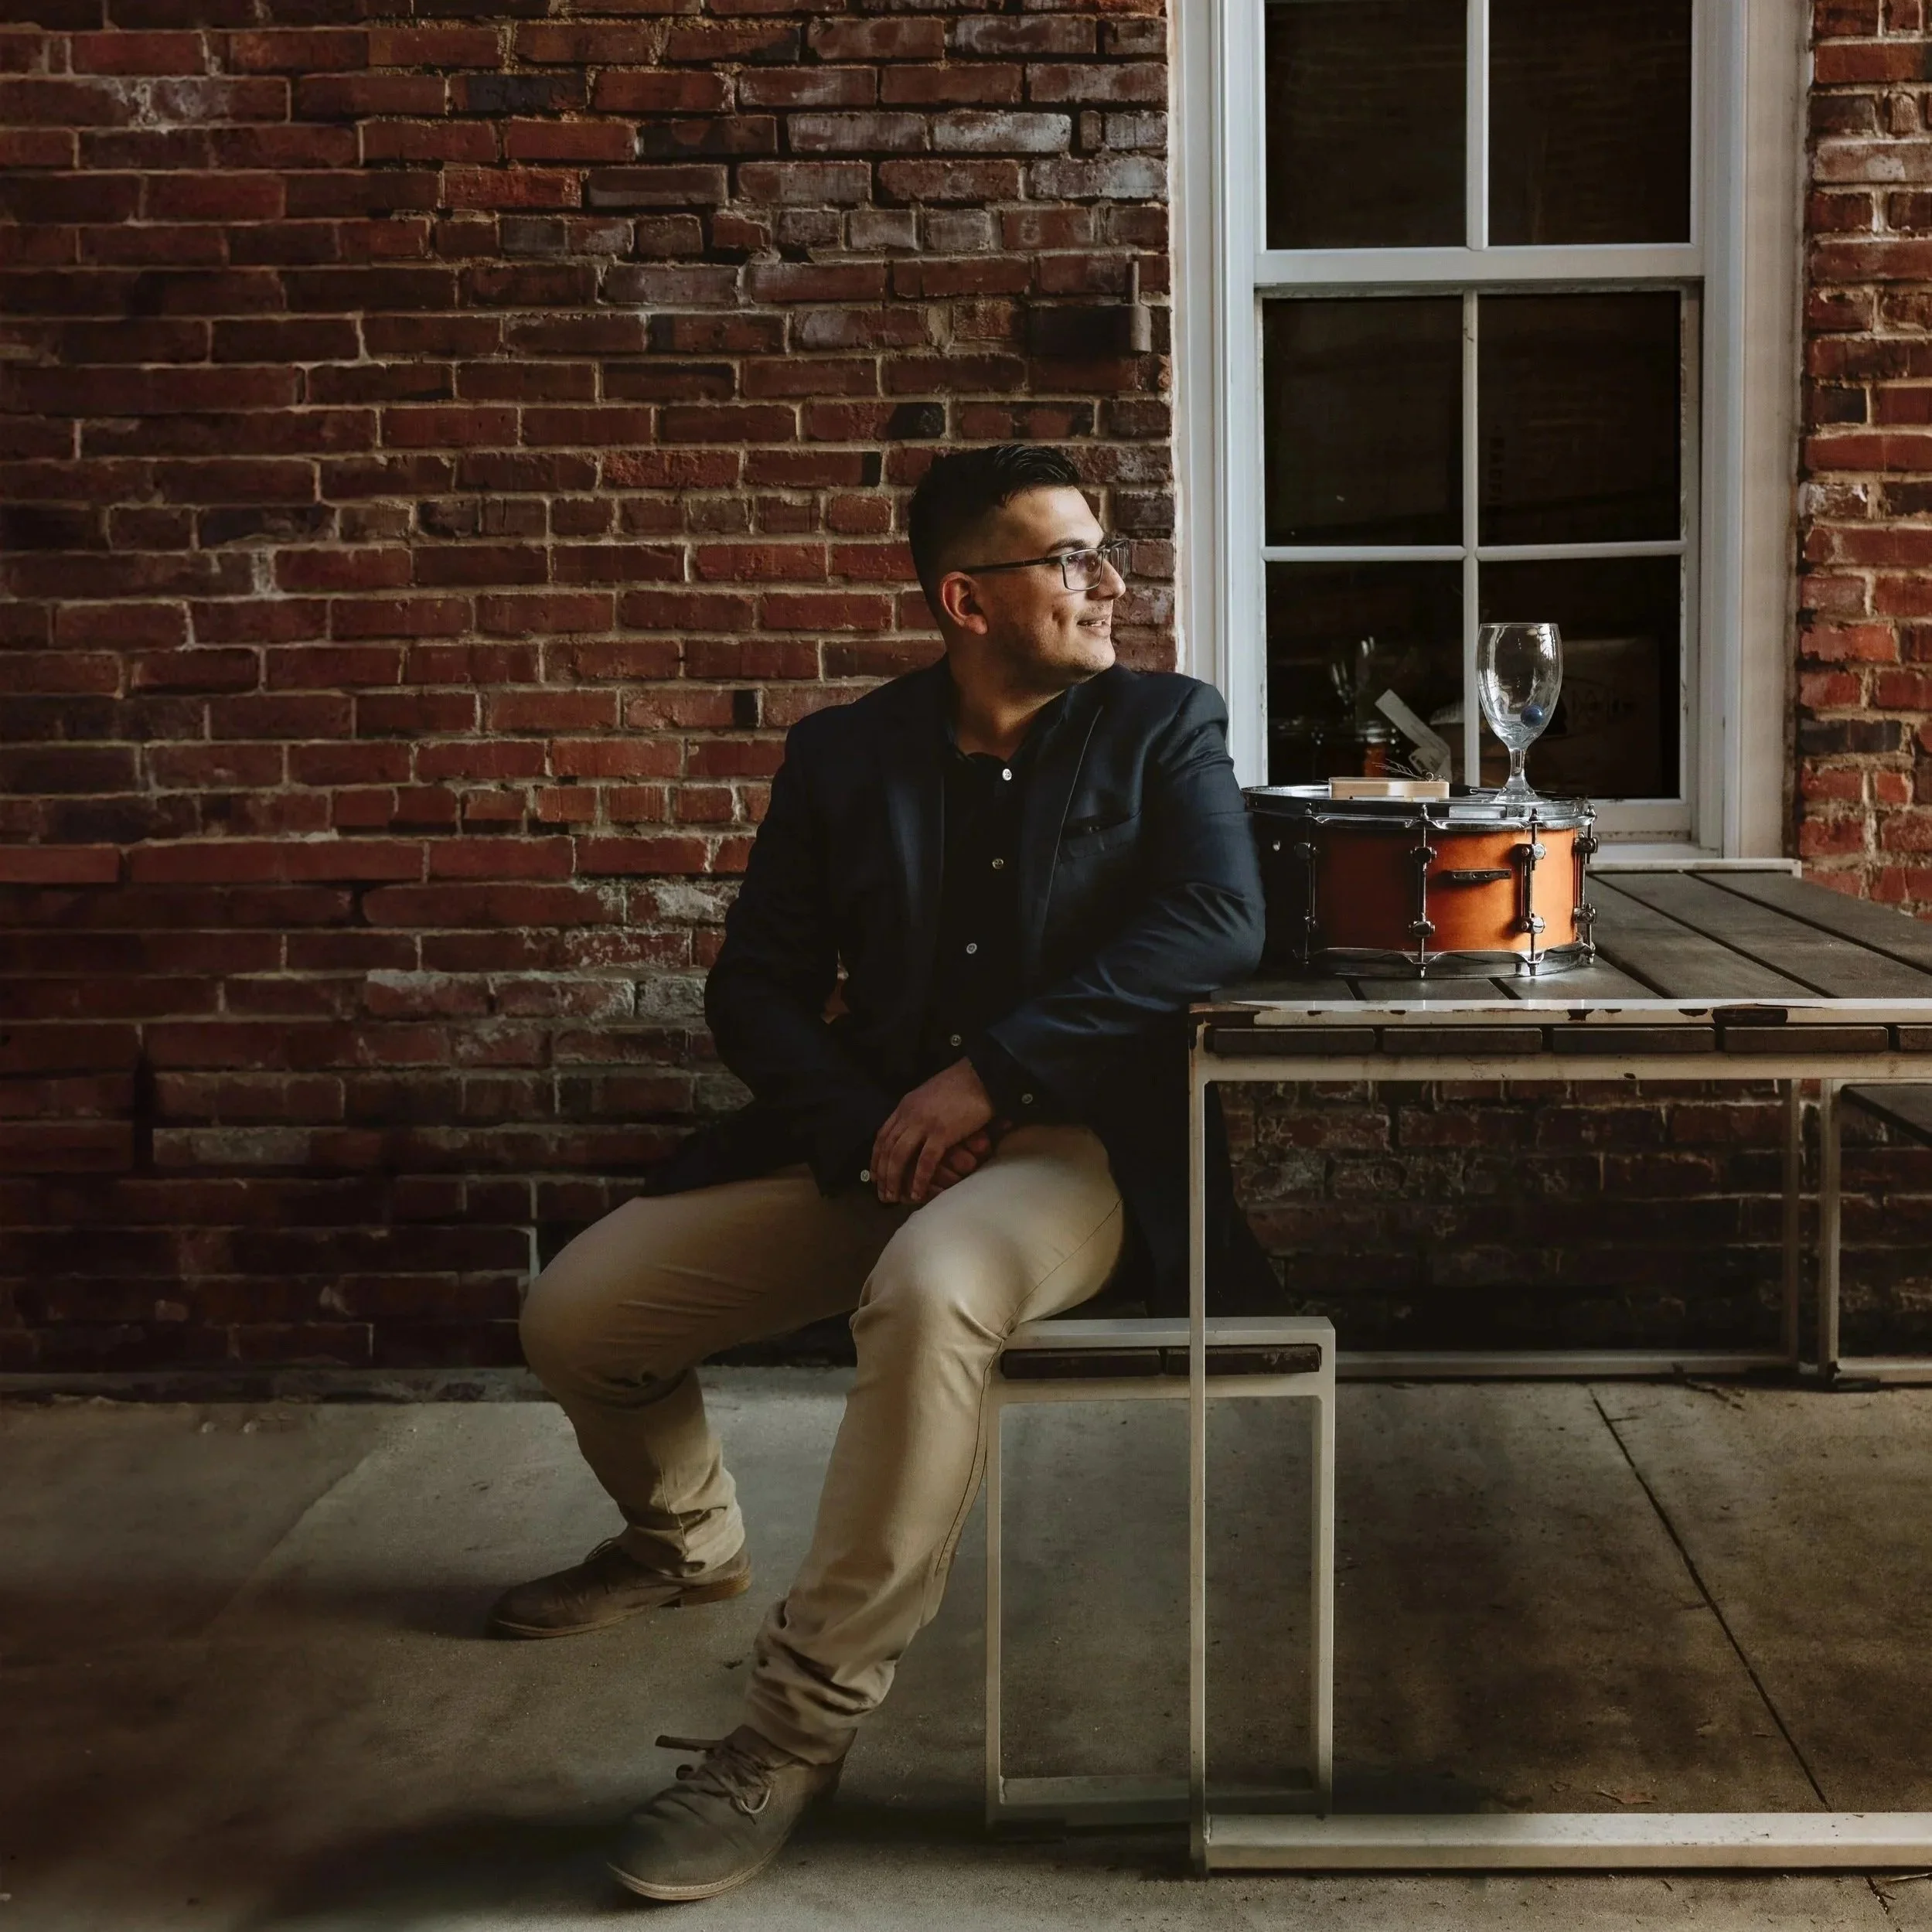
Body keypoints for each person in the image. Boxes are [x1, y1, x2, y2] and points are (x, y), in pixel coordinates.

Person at [494, 444, 1277, 1902]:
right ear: (963, 599)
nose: (1109, 583)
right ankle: (685, 1539)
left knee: (927, 1292)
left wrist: (994, 1072)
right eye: (1067, 559)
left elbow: (1214, 926)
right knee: (578, 1314)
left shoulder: (1166, 726)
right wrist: (873, 1125)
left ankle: (792, 1732)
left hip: (1078, 1150)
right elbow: (756, 990)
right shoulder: (842, 753)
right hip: (877, 1142)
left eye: (1102, 553)